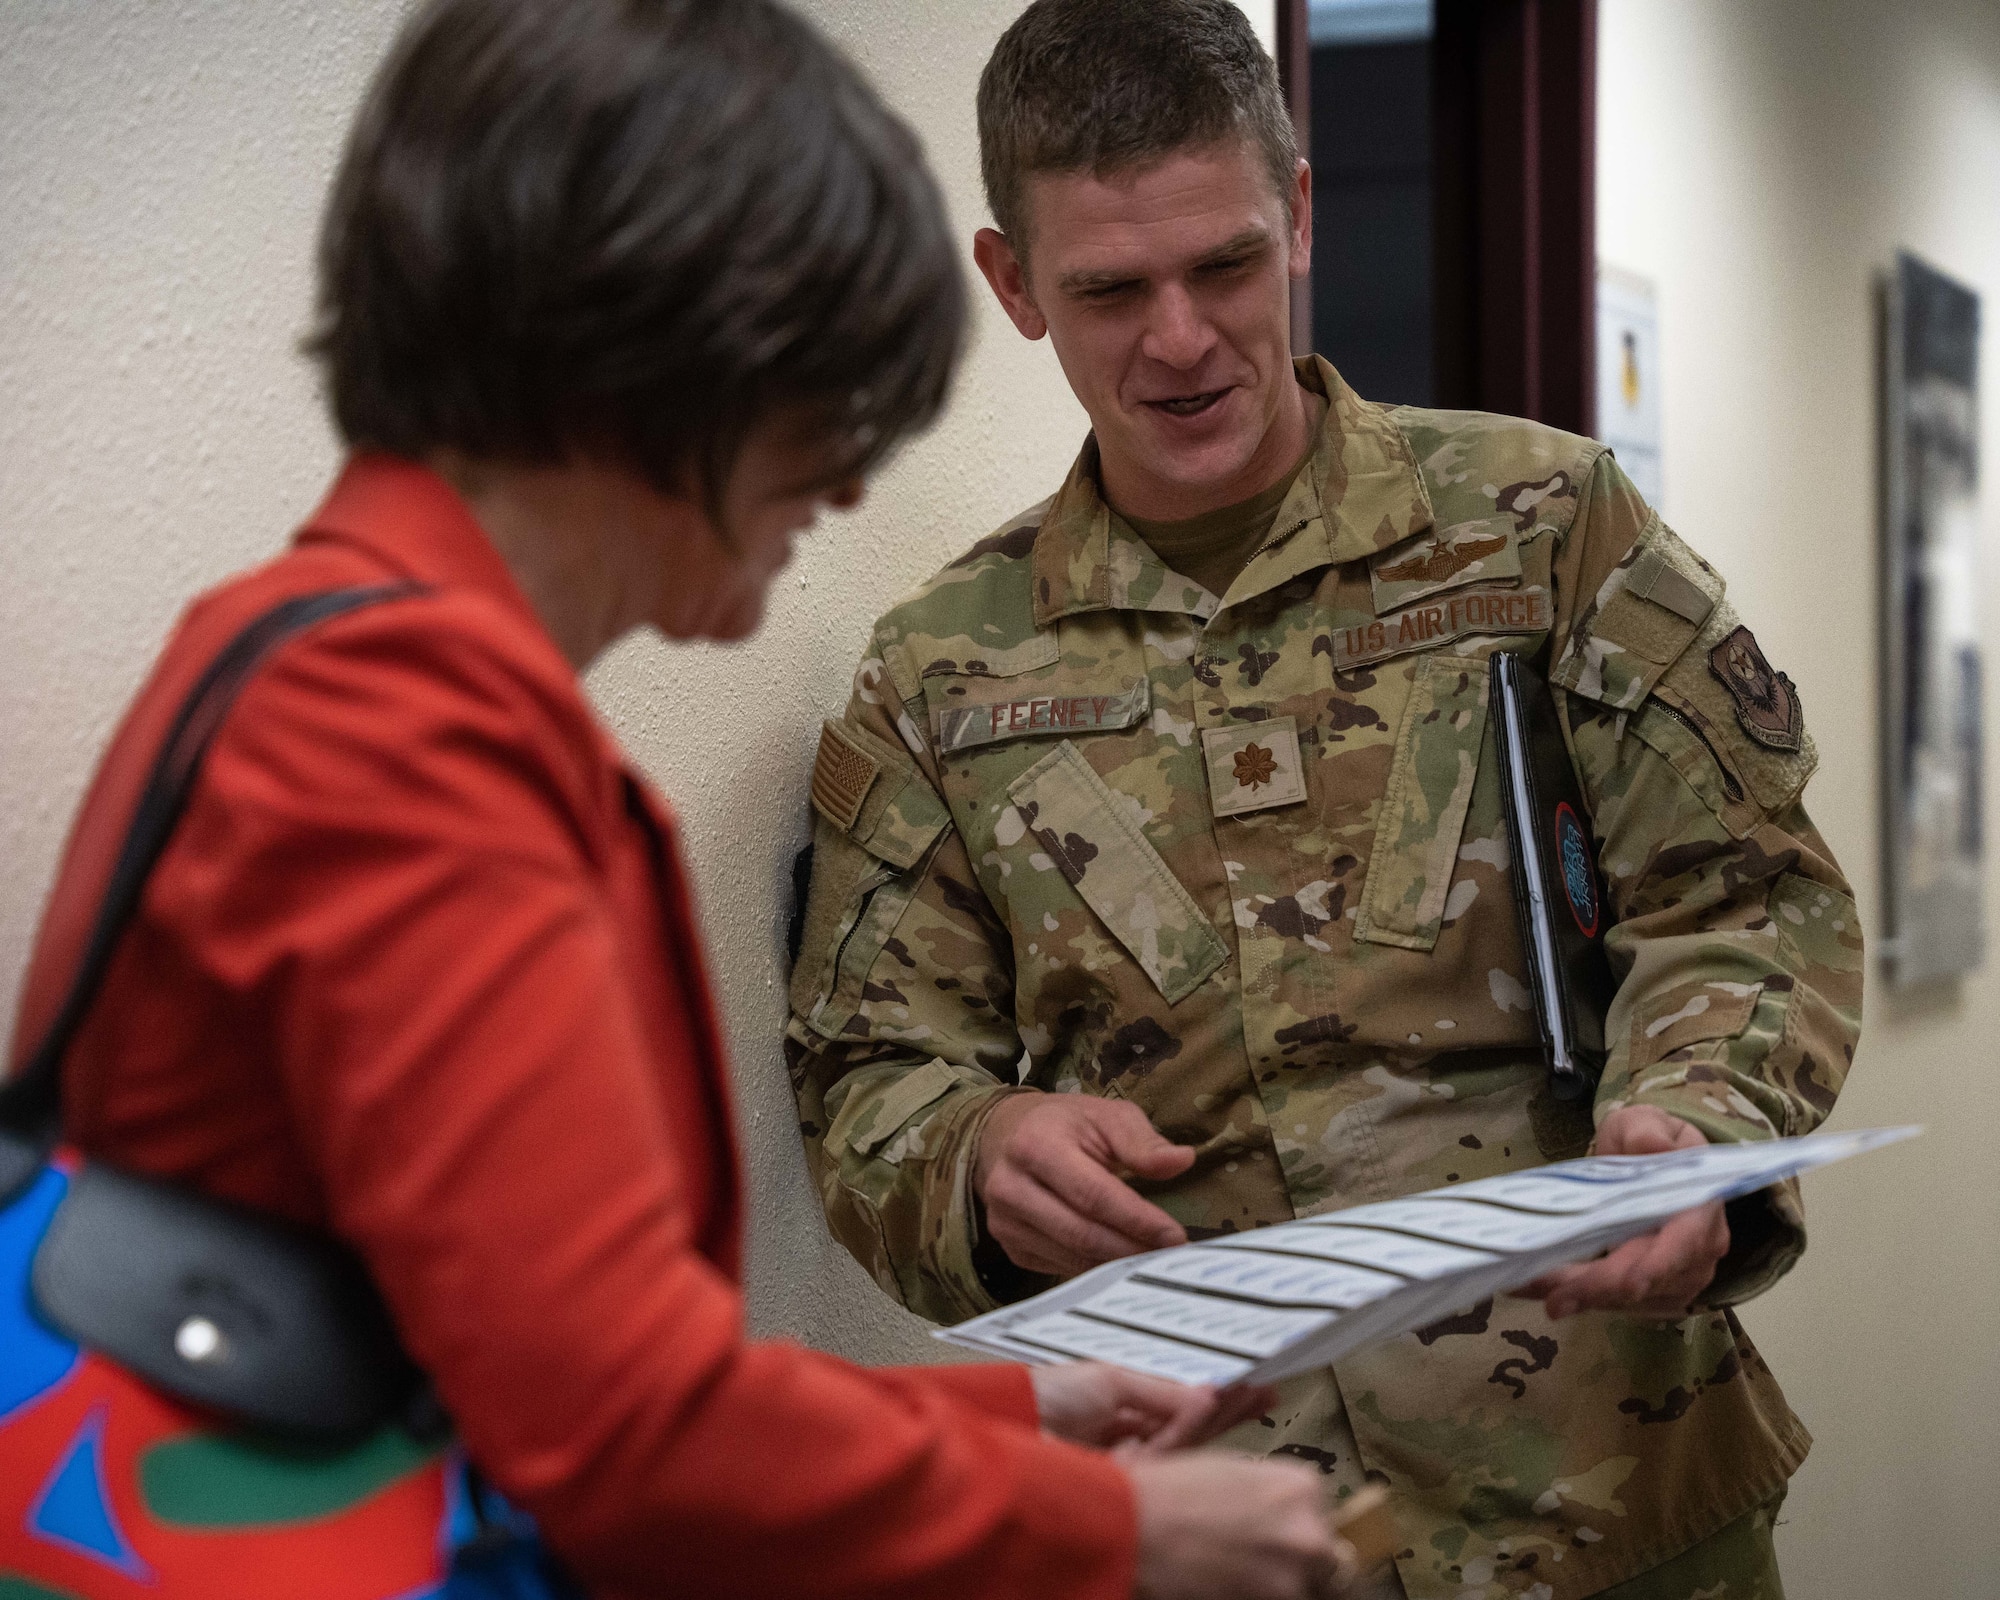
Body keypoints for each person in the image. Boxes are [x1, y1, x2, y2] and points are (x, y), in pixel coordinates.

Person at [2, 1, 1360, 1596]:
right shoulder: (398, 737)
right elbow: (618, 1439)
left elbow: (530, 1356)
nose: (844, 483)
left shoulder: (290, 646)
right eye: (822, 401)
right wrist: (1114, 1530)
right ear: (649, 363)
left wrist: (1006, 1412)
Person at [783, 3, 1863, 1598]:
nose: (1179, 340)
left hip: (1611, 1499)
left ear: (1297, 213)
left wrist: (1699, 1118)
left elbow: (1744, 896)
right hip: (1209, 1529)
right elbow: (870, 1073)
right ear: (1013, 286)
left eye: (1222, 265)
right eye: (1108, 289)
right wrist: (978, 1151)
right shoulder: (942, 672)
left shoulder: (1545, 529)